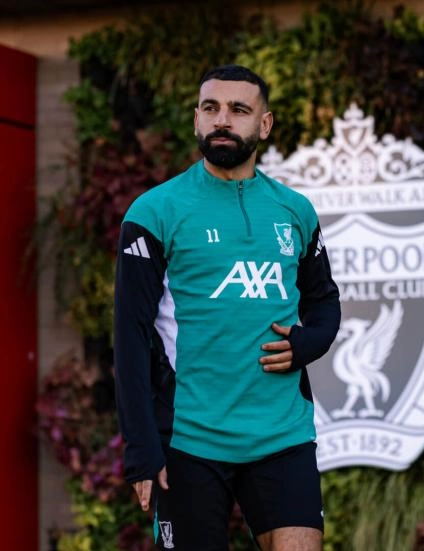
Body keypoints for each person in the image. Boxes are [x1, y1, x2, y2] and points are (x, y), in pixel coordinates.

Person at [114, 65, 341, 551]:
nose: (222, 120)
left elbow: (325, 303)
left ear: (264, 125)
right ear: (196, 119)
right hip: (189, 440)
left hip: (282, 435)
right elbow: (130, 337)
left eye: (238, 110)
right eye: (210, 108)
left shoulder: (294, 210)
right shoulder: (154, 213)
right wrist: (140, 449)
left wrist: (308, 343)